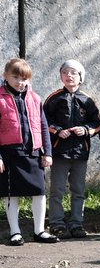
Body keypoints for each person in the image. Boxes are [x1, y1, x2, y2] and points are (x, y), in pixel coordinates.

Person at [0, 59, 58, 245]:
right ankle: (15, 232)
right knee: (12, 194)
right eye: (15, 77)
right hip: (10, 153)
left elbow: (43, 126)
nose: (20, 82)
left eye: (24, 78)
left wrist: (47, 152)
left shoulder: (35, 98)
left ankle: (39, 230)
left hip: (33, 152)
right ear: (5, 76)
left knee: (39, 192)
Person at [43, 60, 100, 239]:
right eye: (65, 72)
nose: (69, 75)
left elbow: (97, 124)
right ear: (61, 76)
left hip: (80, 153)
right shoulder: (54, 98)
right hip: (59, 152)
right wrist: (58, 131)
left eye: (73, 73)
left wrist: (85, 130)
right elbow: (43, 122)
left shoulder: (87, 100)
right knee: (57, 190)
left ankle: (76, 223)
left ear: (80, 78)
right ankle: (56, 223)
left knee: (78, 190)